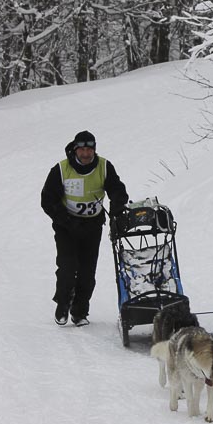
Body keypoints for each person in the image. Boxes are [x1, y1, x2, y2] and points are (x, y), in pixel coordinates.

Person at [41, 130, 128, 326]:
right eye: (82, 150)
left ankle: (79, 311)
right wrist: (67, 221)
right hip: (67, 227)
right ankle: (63, 304)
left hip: (92, 226)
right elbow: (47, 200)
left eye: (90, 150)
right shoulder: (61, 170)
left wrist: (117, 208)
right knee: (67, 267)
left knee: (88, 273)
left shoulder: (104, 167)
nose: (86, 154)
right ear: (75, 149)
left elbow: (117, 189)